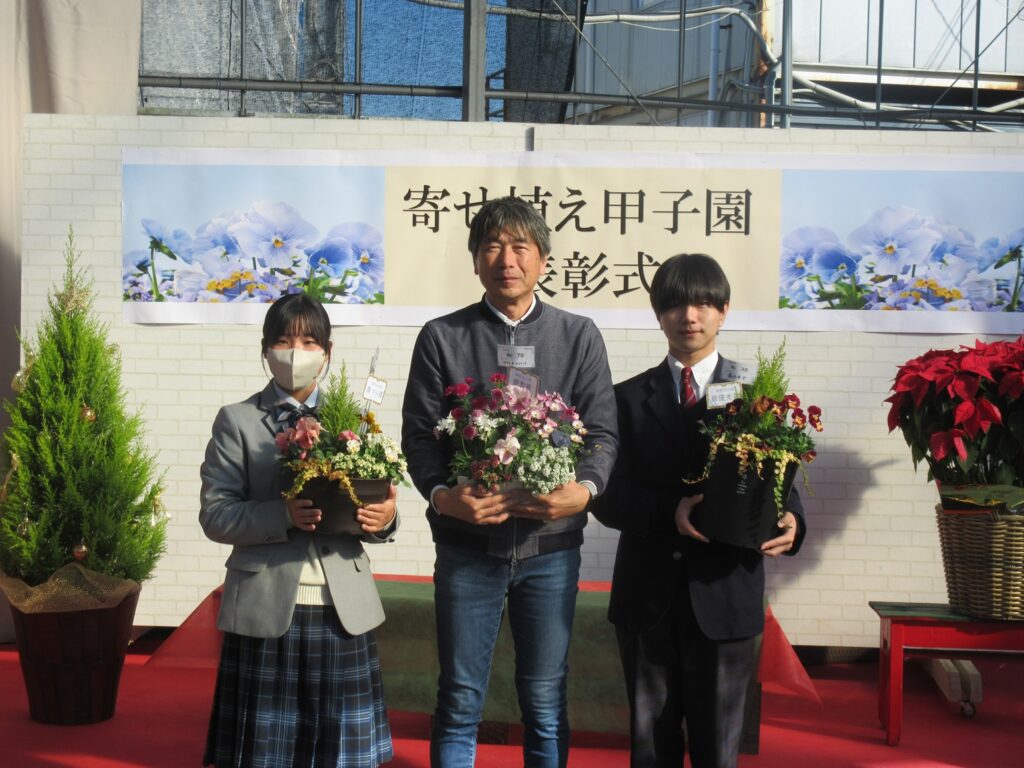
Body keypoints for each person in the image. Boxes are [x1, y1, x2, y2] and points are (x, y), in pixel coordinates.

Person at [401, 196, 619, 768]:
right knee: (459, 697)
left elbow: (602, 433)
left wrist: (585, 490)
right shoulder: (442, 337)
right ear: (475, 259)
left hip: (551, 551)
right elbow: (419, 437)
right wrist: (443, 496)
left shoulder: (578, 335)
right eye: (493, 246)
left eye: (521, 246)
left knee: (545, 700)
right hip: (467, 548)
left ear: (543, 258)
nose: (507, 259)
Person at [591, 253, 806, 768]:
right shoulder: (624, 399)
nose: (689, 316)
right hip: (647, 600)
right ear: (658, 313)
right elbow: (605, 493)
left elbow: (781, 478)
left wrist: (794, 522)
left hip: (726, 595)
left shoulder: (758, 395)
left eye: (703, 303)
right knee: (651, 748)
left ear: (724, 310)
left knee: (718, 750)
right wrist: (669, 511)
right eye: (674, 304)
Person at [200, 292, 398, 768]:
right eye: (284, 341)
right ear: (265, 349)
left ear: (327, 353)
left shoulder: (355, 422)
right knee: (266, 752)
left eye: (309, 342)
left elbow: (375, 501)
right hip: (266, 605)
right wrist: (283, 515)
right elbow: (216, 515)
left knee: (340, 753)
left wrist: (385, 520)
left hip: (342, 607)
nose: (296, 353)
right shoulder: (238, 421)